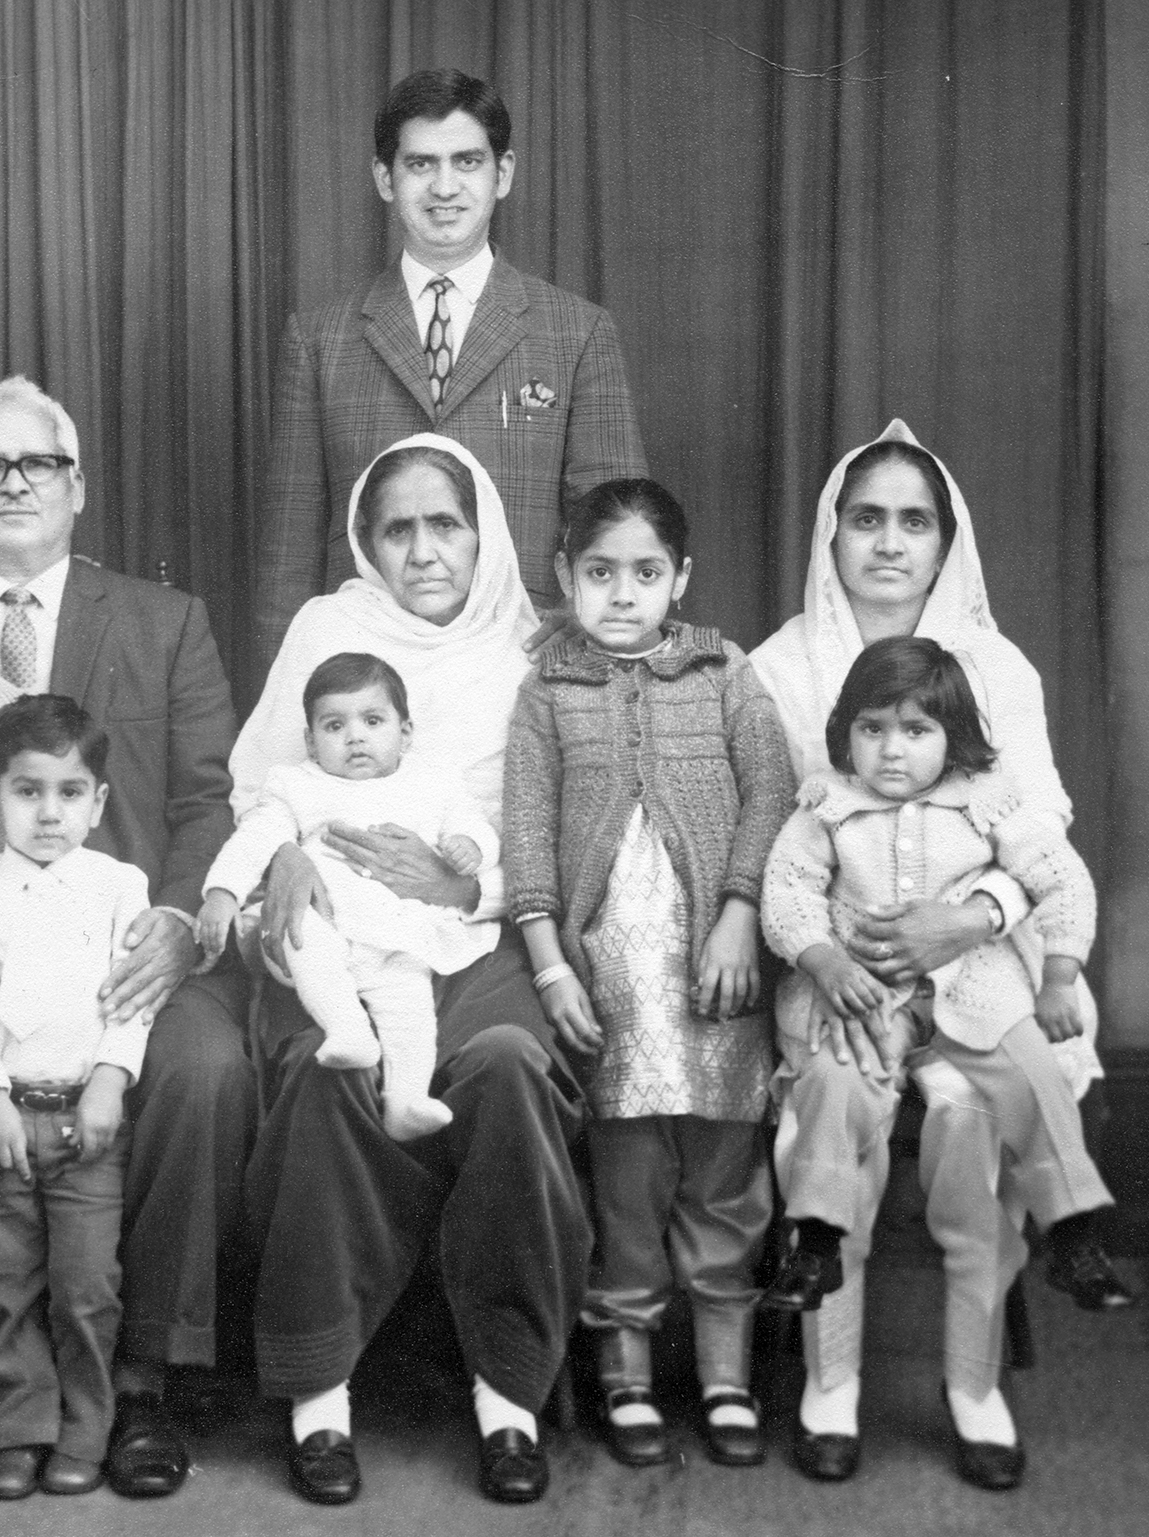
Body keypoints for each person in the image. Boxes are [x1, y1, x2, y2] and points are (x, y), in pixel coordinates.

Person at [0, 375, 252, 1503]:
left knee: (207, 1065)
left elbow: (209, 799)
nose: (14, 482)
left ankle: (143, 1380)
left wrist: (172, 921)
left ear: (79, 487)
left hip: (122, 950)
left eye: (39, 464)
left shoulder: (165, 622)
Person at [745, 419, 1131, 1485]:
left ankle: (972, 1384)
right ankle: (829, 1380)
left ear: (943, 539)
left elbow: (1040, 828)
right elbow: (776, 835)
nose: (886, 542)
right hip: (843, 965)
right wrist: (825, 948)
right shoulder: (778, 664)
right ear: (829, 535)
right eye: (863, 518)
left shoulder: (993, 664)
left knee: (975, 1107)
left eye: (912, 520)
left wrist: (975, 915)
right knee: (831, 1096)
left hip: (977, 966)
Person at [240, 433, 587, 1508]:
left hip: (472, 936)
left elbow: (556, 828)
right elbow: (260, 780)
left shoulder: (530, 647)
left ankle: (506, 1396)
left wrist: (459, 887)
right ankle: (317, 1396)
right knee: (325, 1072)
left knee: (505, 1062)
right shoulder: (325, 630)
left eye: (445, 524)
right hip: (339, 938)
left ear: (483, 532)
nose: (424, 550)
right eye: (398, 528)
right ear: (365, 540)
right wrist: (285, 850)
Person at [502, 478, 795, 1471]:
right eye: (597, 573)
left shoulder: (722, 670)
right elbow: (525, 841)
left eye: (643, 572)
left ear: (679, 576)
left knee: (722, 1169)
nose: (620, 594)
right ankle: (624, 1368)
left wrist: (739, 913)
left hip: (710, 964)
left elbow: (771, 789)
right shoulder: (544, 689)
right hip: (608, 975)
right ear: (562, 577)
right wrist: (550, 968)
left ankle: (721, 1374)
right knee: (624, 1177)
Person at [255, 67, 646, 660]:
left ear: (503, 173)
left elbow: (620, 528)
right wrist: (285, 692)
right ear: (385, 178)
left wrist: (577, 629)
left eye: (467, 162)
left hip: (523, 659)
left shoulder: (577, 330)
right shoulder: (319, 337)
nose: (444, 187)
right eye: (420, 164)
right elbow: (289, 553)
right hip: (364, 669)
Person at [0, 695, 153, 1500]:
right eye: (28, 792)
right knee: (6, 1278)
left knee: (86, 1282)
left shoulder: (117, 884)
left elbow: (134, 999)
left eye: (70, 792)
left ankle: (87, 1425)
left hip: (86, 1119)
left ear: (98, 803)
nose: (50, 812)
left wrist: (109, 1081)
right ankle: (16, 1428)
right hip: (4, 1117)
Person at [196, 651, 497, 1141]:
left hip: (398, 927)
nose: (355, 736)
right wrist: (223, 893)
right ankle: (347, 1030)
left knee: (410, 1005)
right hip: (325, 918)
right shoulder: (296, 785)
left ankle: (406, 1099)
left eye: (373, 720)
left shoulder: (433, 782)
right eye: (334, 725)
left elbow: (471, 821)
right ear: (311, 743)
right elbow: (254, 838)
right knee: (302, 934)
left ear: (406, 733)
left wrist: (470, 847)